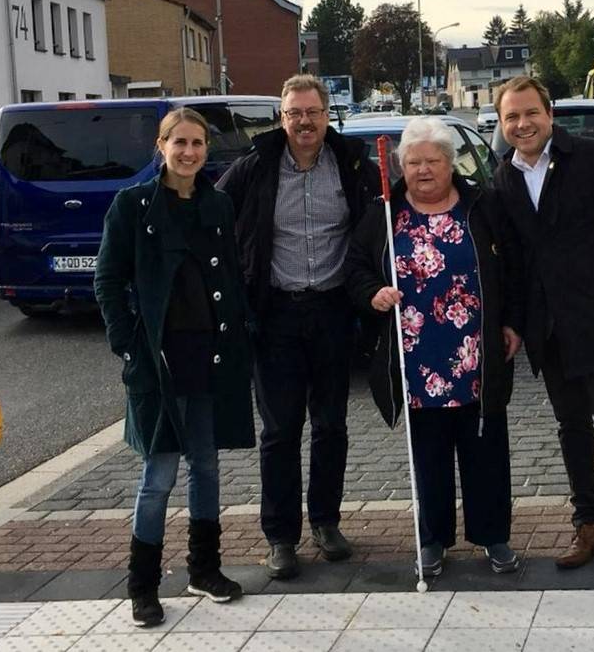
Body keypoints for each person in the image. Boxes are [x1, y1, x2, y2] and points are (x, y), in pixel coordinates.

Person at [492, 75, 594, 590]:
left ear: (550, 114)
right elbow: (516, 261)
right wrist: (516, 324)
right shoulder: (506, 177)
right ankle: (589, 525)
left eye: (530, 113)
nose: (522, 124)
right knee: (572, 431)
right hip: (551, 331)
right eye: (511, 118)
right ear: (502, 125)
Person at [94, 108, 255, 626]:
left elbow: (230, 276)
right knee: (158, 474)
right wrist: (128, 346)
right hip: (159, 362)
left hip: (211, 355)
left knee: (206, 467)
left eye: (198, 144)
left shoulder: (218, 204)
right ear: (161, 146)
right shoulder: (132, 206)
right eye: (179, 142)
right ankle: (142, 585)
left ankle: (203, 569)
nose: (189, 153)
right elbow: (107, 281)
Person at [217, 74, 380, 579]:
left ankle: (326, 522)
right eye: (294, 114)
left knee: (331, 424)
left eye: (312, 112)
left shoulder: (352, 166)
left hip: (333, 310)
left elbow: (383, 224)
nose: (304, 122)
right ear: (281, 118)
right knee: (280, 430)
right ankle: (281, 537)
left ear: (327, 115)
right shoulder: (254, 168)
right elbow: (212, 217)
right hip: (276, 315)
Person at [345, 117, 523, 576]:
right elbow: (357, 266)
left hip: (475, 351)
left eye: (433, 161)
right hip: (416, 356)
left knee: (484, 449)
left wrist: (514, 322)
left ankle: (493, 536)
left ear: (450, 163)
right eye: (414, 162)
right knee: (429, 455)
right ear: (402, 165)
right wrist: (374, 293)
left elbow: (516, 268)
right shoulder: (386, 212)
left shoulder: (481, 206)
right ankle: (432, 539)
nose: (423, 170)